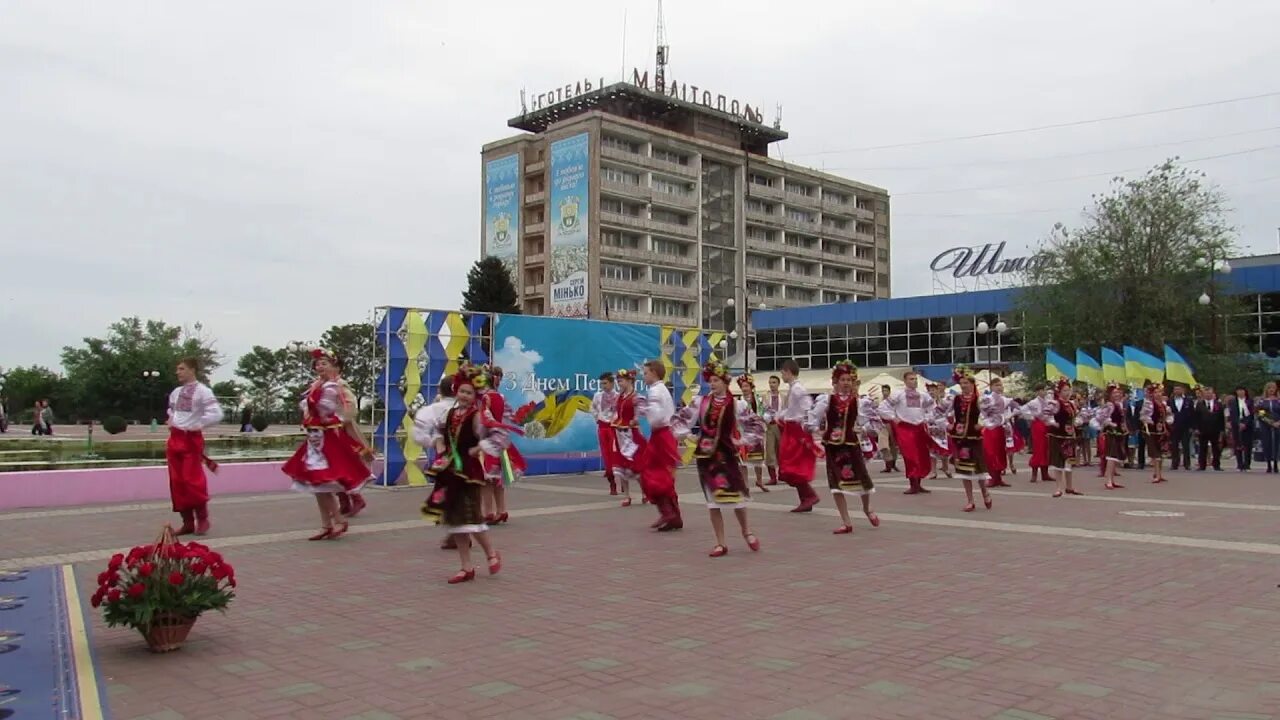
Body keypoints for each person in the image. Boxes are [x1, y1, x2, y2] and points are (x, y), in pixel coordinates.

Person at [417, 365, 506, 584]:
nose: (464, 396)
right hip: (450, 472)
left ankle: (491, 553)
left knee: (471, 518)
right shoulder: (449, 414)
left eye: (469, 392)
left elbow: (497, 435)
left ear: (475, 395)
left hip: (469, 472)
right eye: (461, 391)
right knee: (455, 521)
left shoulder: (477, 416)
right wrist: (438, 445)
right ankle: (466, 566)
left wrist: (479, 447)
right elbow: (438, 433)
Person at [281, 348, 376, 541]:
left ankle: (339, 520)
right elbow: (310, 409)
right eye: (317, 364)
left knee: (325, 481)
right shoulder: (317, 386)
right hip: (316, 439)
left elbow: (335, 411)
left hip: (332, 437)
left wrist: (320, 412)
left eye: (324, 363)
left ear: (335, 367)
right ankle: (327, 524)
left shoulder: (335, 387)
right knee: (317, 484)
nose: (319, 366)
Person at [679, 361, 764, 557]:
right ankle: (720, 542)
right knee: (713, 501)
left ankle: (746, 531)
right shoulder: (701, 402)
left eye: (716, 380)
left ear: (725, 381)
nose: (712, 384)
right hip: (706, 458)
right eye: (710, 380)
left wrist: (741, 440)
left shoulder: (736, 403)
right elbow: (681, 419)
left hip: (727, 455)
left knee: (737, 497)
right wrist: (689, 436)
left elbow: (756, 424)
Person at [807, 360, 881, 534]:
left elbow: (871, 422)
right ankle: (846, 521)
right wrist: (813, 427)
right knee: (836, 484)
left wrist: (863, 429)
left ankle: (867, 508)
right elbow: (812, 417)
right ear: (835, 382)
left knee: (863, 480)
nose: (846, 383)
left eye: (849, 379)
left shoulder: (859, 402)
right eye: (843, 379)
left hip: (851, 444)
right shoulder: (827, 400)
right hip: (833, 447)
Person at [165, 357, 224, 535]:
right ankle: (187, 522)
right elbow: (172, 410)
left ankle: (202, 518)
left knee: (193, 481)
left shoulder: (203, 391)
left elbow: (216, 413)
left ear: (192, 370)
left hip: (190, 440)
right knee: (177, 482)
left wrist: (198, 424)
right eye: (178, 369)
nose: (178, 372)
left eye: (182, 368)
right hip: (175, 439)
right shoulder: (176, 392)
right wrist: (171, 419)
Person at [638, 360, 683, 530]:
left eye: (646, 373)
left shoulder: (655, 391)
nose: (644, 376)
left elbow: (656, 417)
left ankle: (667, 512)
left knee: (652, 475)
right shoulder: (662, 389)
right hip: (665, 434)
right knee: (663, 475)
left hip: (661, 435)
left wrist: (644, 408)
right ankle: (674, 516)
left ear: (655, 373)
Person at [414, 381, 459, 550]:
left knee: (448, 494)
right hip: (464, 456)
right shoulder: (464, 408)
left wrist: (435, 442)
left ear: (440, 390)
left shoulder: (434, 409)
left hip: (446, 457)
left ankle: (457, 534)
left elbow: (421, 434)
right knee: (458, 493)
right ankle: (457, 534)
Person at [479, 365, 526, 524]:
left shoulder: (485, 398)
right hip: (502, 441)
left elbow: (484, 421)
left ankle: (488, 512)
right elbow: (511, 417)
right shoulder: (501, 397)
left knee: (486, 480)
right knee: (498, 479)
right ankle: (502, 510)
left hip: (489, 441)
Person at [880, 370, 936, 495]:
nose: (914, 381)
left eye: (915, 379)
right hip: (905, 428)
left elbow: (932, 407)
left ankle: (919, 483)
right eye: (911, 379)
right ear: (905, 381)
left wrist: (928, 418)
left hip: (920, 428)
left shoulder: (923, 395)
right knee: (910, 456)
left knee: (922, 456)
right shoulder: (898, 394)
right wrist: (893, 418)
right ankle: (913, 484)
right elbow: (883, 407)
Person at [777, 359, 822, 512]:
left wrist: (807, 426)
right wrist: (778, 416)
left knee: (792, 466)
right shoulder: (793, 389)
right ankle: (806, 498)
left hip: (796, 431)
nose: (782, 375)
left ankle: (809, 496)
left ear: (788, 372)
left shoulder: (797, 389)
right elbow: (791, 410)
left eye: (783, 372)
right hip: (791, 429)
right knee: (789, 466)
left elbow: (807, 408)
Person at [946, 366, 992, 513]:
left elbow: (990, 414)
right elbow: (941, 411)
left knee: (978, 468)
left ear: (973, 384)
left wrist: (982, 424)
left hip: (974, 436)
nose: (964, 385)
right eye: (962, 383)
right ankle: (970, 500)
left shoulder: (981, 399)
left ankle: (985, 492)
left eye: (967, 383)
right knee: (964, 469)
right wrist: (948, 424)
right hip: (960, 437)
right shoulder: (956, 399)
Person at [1040, 378, 1084, 498]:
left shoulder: (1071, 404)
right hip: (1058, 436)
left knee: (1070, 461)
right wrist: (1053, 423)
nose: (1067, 392)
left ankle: (1069, 486)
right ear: (1059, 391)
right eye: (1065, 390)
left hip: (1070, 436)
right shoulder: (1055, 403)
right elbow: (1045, 415)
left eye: (1069, 390)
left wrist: (1078, 422)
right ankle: (1058, 488)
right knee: (1058, 462)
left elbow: (1077, 417)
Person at [610, 369, 644, 508]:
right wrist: (613, 421)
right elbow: (615, 413)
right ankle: (627, 496)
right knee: (621, 465)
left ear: (630, 380)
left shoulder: (636, 397)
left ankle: (645, 492)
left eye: (621, 380)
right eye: (618, 381)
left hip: (632, 435)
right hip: (619, 434)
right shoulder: (618, 397)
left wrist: (634, 421)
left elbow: (639, 414)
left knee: (636, 465)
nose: (619, 383)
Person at [981, 377, 1020, 488]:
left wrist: (1009, 416)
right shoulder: (987, 398)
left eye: (1001, 385)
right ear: (991, 387)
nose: (999, 387)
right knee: (990, 453)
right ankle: (992, 478)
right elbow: (982, 412)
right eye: (997, 385)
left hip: (1000, 429)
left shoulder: (1004, 399)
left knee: (1000, 452)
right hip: (990, 429)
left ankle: (998, 478)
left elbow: (1016, 406)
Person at [735, 374, 770, 493]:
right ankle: (745, 485)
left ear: (751, 387)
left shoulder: (759, 399)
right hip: (743, 432)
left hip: (757, 432)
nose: (744, 388)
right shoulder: (739, 401)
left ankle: (759, 480)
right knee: (743, 460)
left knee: (758, 459)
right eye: (742, 386)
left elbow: (767, 410)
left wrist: (764, 418)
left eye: (746, 386)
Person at [590, 372, 620, 494]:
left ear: (612, 383)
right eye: (601, 383)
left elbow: (621, 411)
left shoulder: (618, 396)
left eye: (605, 383)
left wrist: (616, 420)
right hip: (602, 428)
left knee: (616, 455)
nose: (603, 386)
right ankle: (612, 483)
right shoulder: (598, 396)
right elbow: (592, 408)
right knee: (606, 456)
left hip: (614, 428)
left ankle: (622, 481)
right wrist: (597, 418)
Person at [1094, 384, 1128, 490]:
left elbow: (1121, 419)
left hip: (1118, 432)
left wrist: (1124, 427)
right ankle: (1108, 480)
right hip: (1111, 433)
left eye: (1118, 392)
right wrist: (1109, 423)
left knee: (1115, 457)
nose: (1117, 394)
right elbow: (1100, 417)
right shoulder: (1109, 405)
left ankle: (1112, 480)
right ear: (1109, 394)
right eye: (1114, 393)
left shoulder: (1118, 404)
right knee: (1111, 456)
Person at [1140, 384, 1173, 483]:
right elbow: (1143, 416)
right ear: (1152, 394)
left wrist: (1168, 421)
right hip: (1151, 431)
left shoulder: (1163, 404)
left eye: (1159, 392)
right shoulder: (1149, 404)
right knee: (1155, 453)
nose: (1158, 394)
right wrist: (1150, 421)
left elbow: (1169, 415)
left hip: (1161, 430)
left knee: (1160, 452)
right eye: (1156, 392)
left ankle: (1158, 473)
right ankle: (1157, 474)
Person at [1022, 383, 1051, 483]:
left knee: (1046, 449)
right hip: (1038, 425)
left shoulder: (1048, 401)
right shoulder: (1033, 402)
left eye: (1044, 390)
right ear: (1037, 392)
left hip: (1047, 425)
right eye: (1041, 390)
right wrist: (1032, 416)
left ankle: (1045, 474)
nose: (1043, 392)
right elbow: (1023, 410)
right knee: (1038, 448)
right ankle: (1034, 473)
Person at [925, 382, 952, 480]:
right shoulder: (926, 403)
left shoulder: (944, 401)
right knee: (932, 450)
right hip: (931, 428)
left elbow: (949, 412)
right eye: (930, 390)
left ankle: (945, 467)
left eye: (933, 390)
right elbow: (924, 414)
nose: (931, 392)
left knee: (944, 449)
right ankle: (933, 471)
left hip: (942, 428)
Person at [1196, 386, 1225, 471]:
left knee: (1216, 449)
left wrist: (1222, 430)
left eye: (1210, 393)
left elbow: (1221, 418)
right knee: (1202, 448)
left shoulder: (1218, 404)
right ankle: (1202, 465)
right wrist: (1196, 428)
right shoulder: (1200, 404)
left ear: (1213, 394)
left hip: (1215, 429)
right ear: (1204, 394)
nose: (1208, 394)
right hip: (1203, 430)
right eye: (1206, 393)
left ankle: (1216, 465)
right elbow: (1196, 417)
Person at [1227, 386, 1255, 472]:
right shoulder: (1232, 401)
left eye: (1242, 390)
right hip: (1236, 425)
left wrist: (1245, 423)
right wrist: (1237, 423)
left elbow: (1251, 414)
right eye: (1238, 391)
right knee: (1237, 444)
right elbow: (1232, 414)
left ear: (1245, 391)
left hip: (1247, 425)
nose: (1240, 392)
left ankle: (1247, 464)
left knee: (1247, 445)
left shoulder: (1250, 401)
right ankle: (1239, 464)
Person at [762, 375, 784, 486]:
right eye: (770, 382)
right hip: (770, 426)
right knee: (770, 451)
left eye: (774, 382)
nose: (772, 384)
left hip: (781, 426)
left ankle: (782, 474)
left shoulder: (784, 397)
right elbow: (762, 410)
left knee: (781, 451)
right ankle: (772, 477)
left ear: (778, 384)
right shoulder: (765, 396)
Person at [1168, 384, 1196, 471]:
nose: (1177, 391)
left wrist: (1192, 426)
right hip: (1174, 426)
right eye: (1175, 389)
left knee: (1186, 446)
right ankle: (1174, 463)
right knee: (1174, 445)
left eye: (1179, 389)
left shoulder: (1188, 401)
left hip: (1186, 426)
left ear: (1183, 390)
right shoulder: (1170, 401)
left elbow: (1192, 414)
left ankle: (1187, 464)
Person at [1256, 382, 1280, 473]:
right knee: (1267, 443)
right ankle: (1269, 464)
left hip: (1278, 424)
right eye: (1269, 388)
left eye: (1273, 388)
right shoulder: (1262, 401)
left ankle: (1276, 463)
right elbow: (1261, 414)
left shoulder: (1278, 400)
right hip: (1266, 424)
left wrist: (1278, 422)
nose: (1271, 390)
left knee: (1276, 443)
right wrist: (1269, 421)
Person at [879, 383, 900, 473]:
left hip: (893, 424)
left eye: (886, 390)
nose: (884, 392)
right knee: (883, 445)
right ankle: (888, 464)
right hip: (882, 425)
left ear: (889, 391)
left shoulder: (893, 402)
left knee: (894, 445)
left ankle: (893, 464)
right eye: (883, 391)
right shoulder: (879, 402)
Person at [1125, 390, 1146, 470]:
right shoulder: (1139, 403)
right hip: (1140, 427)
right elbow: (1136, 416)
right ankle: (1140, 462)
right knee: (1140, 445)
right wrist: (1136, 427)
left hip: (1153, 426)